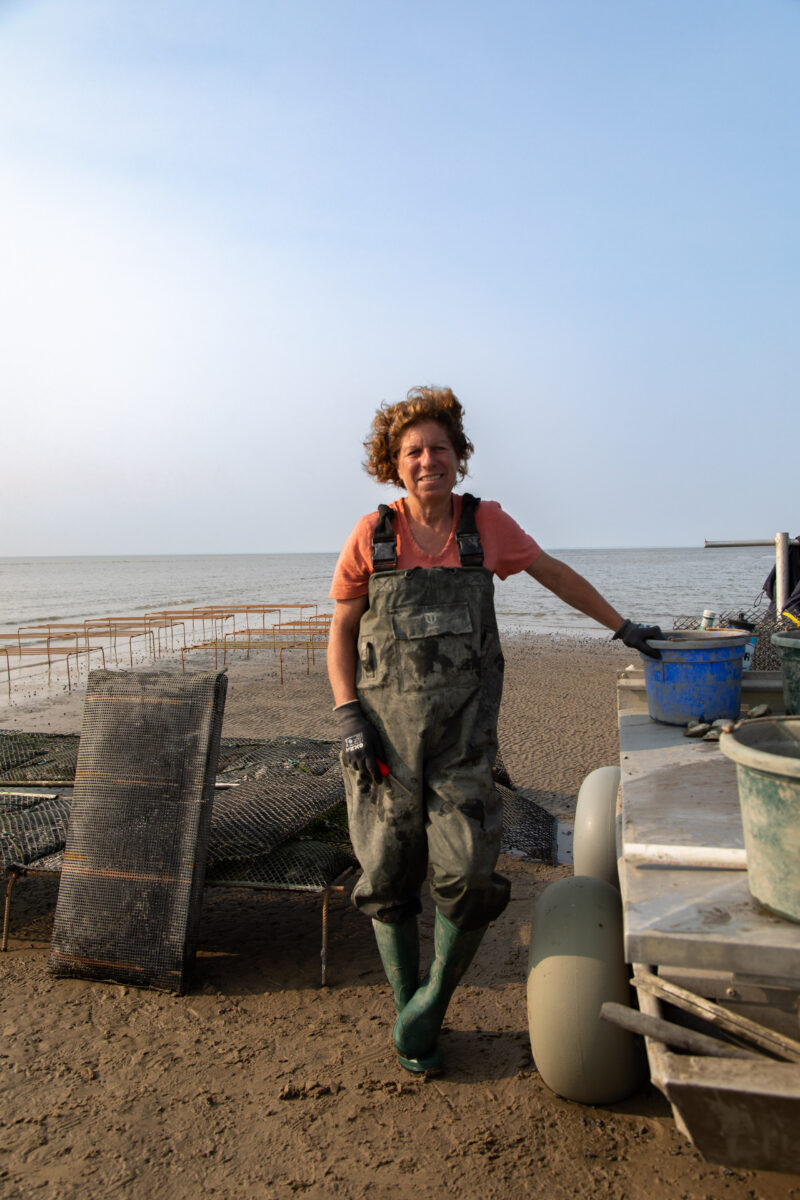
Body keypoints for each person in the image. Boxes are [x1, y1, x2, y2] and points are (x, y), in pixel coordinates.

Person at [327, 386, 661, 1074]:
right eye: (414, 451)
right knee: (386, 876)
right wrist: (347, 715)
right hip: (381, 748)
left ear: (459, 457)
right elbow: (340, 630)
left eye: (440, 448)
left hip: (463, 749)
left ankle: (429, 1007)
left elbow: (554, 575)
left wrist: (624, 628)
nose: (429, 461)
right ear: (395, 463)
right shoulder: (371, 535)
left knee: (472, 876)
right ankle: (405, 1006)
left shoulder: (486, 527)